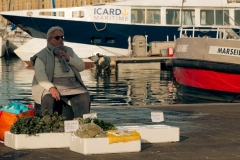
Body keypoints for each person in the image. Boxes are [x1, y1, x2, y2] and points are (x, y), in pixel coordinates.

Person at [30, 26, 91, 119]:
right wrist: (51, 88)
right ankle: (48, 124)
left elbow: (81, 67)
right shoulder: (42, 55)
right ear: (49, 40)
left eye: (62, 37)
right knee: (48, 98)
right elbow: (40, 75)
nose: (60, 40)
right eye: (57, 38)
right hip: (51, 83)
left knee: (84, 96)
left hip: (72, 84)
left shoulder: (68, 51)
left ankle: (82, 124)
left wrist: (68, 58)